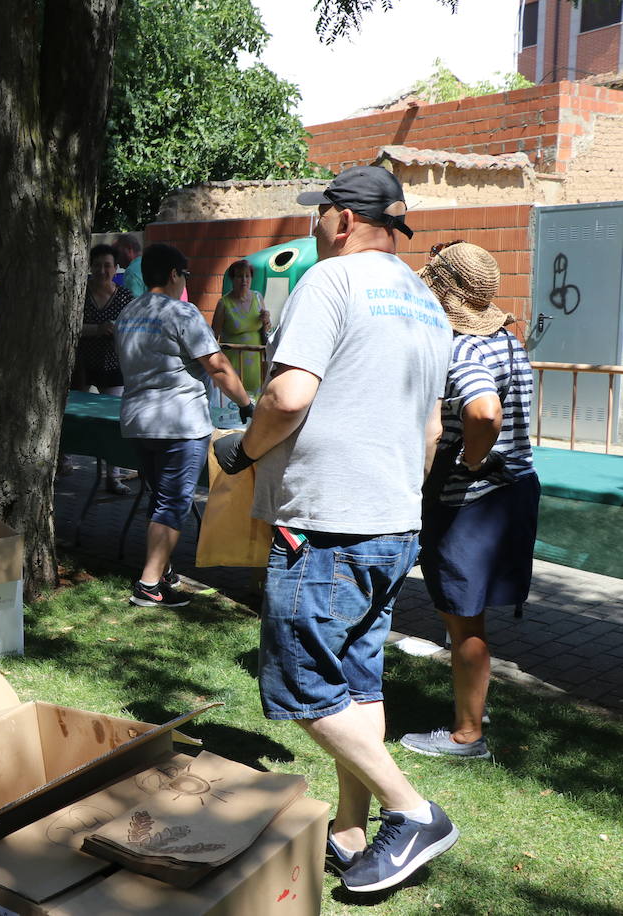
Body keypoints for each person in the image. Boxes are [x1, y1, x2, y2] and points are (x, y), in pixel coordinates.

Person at [212, 166, 456, 895]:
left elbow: (287, 395)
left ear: (342, 219)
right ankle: (351, 831)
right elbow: (432, 429)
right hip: (392, 521)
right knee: (356, 678)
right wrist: (396, 496)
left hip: (326, 523)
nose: (313, 230)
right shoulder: (425, 302)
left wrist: (243, 449)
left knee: (297, 685)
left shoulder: (330, 282)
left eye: (318, 217)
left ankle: (411, 811)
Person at [399, 242, 538, 761]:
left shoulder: (461, 349)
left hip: (473, 499)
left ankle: (466, 735)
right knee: (470, 617)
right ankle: (474, 706)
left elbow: (484, 412)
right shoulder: (507, 340)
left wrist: (472, 461)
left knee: (464, 620)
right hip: (514, 490)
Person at [115, 244, 251, 609]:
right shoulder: (183, 314)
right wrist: (246, 403)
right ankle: (148, 585)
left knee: (160, 498)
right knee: (173, 504)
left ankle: (164, 572)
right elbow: (218, 366)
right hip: (179, 423)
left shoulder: (128, 313)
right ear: (175, 274)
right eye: (185, 275)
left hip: (138, 422)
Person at [78, 243, 136, 495]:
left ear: (116, 268)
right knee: (66, 414)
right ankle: (61, 464)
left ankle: (113, 476)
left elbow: (135, 328)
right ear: (90, 267)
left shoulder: (125, 297)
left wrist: (118, 331)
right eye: (98, 265)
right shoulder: (78, 293)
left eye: (108, 265)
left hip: (113, 364)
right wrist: (96, 329)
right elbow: (69, 325)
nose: (103, 270)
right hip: (80, 364)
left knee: (115, 420)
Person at [211, 259, 270, 396]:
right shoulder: (224, 303)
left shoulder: (258, 298)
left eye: (247, 276)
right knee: (234, 401)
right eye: (239, 276)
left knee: (256, 402)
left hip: (256, 362)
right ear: (232, 279)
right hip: (233, 362)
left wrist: (266, 321)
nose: (244, 280)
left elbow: (266, 330)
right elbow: (213, 337)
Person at [114, 233, 145, 298]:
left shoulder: (131, 273)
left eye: (118, 253)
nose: (115, 260)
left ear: (129, 249)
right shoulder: (150, 264)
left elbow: (133, 305)